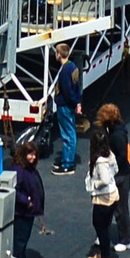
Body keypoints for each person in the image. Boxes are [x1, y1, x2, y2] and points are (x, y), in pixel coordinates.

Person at [97, 104, 130, 252]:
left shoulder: (117, 135)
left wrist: (109, 166)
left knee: (120, 208)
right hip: (118, 174)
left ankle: (125, 240)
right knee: (109, 206)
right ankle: (105, 234)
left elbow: (122, 157)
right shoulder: (115, 130)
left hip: (121, 176)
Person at [86, 126, 120, 258]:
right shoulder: (110, 154)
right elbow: (116, 170)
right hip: (113, 194)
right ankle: (104, 252)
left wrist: (95, 184)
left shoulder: (99, 161)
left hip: (104, 198)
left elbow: (104, 180)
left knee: (100, 226)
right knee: (104, 226)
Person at [12, 141, 45, 258]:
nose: (32, 157)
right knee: (20, 238)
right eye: (30, 154)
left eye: (34, 154)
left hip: (29, 211)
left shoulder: (30, 169)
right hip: (22, 211)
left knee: (25, 238)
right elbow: (15, 190)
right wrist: (27, 202)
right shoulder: (19, 170)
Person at [53, 42, 82, 176]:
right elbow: (76, 88)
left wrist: (73, 102)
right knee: (69, 133)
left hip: (64, 106)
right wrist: (78, 103)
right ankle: (66, 159)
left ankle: (67, 164)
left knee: (68, 135)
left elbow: (67, 90)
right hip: (69, 105)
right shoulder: (73, 67)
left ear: (59, 54)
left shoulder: (64, 71)